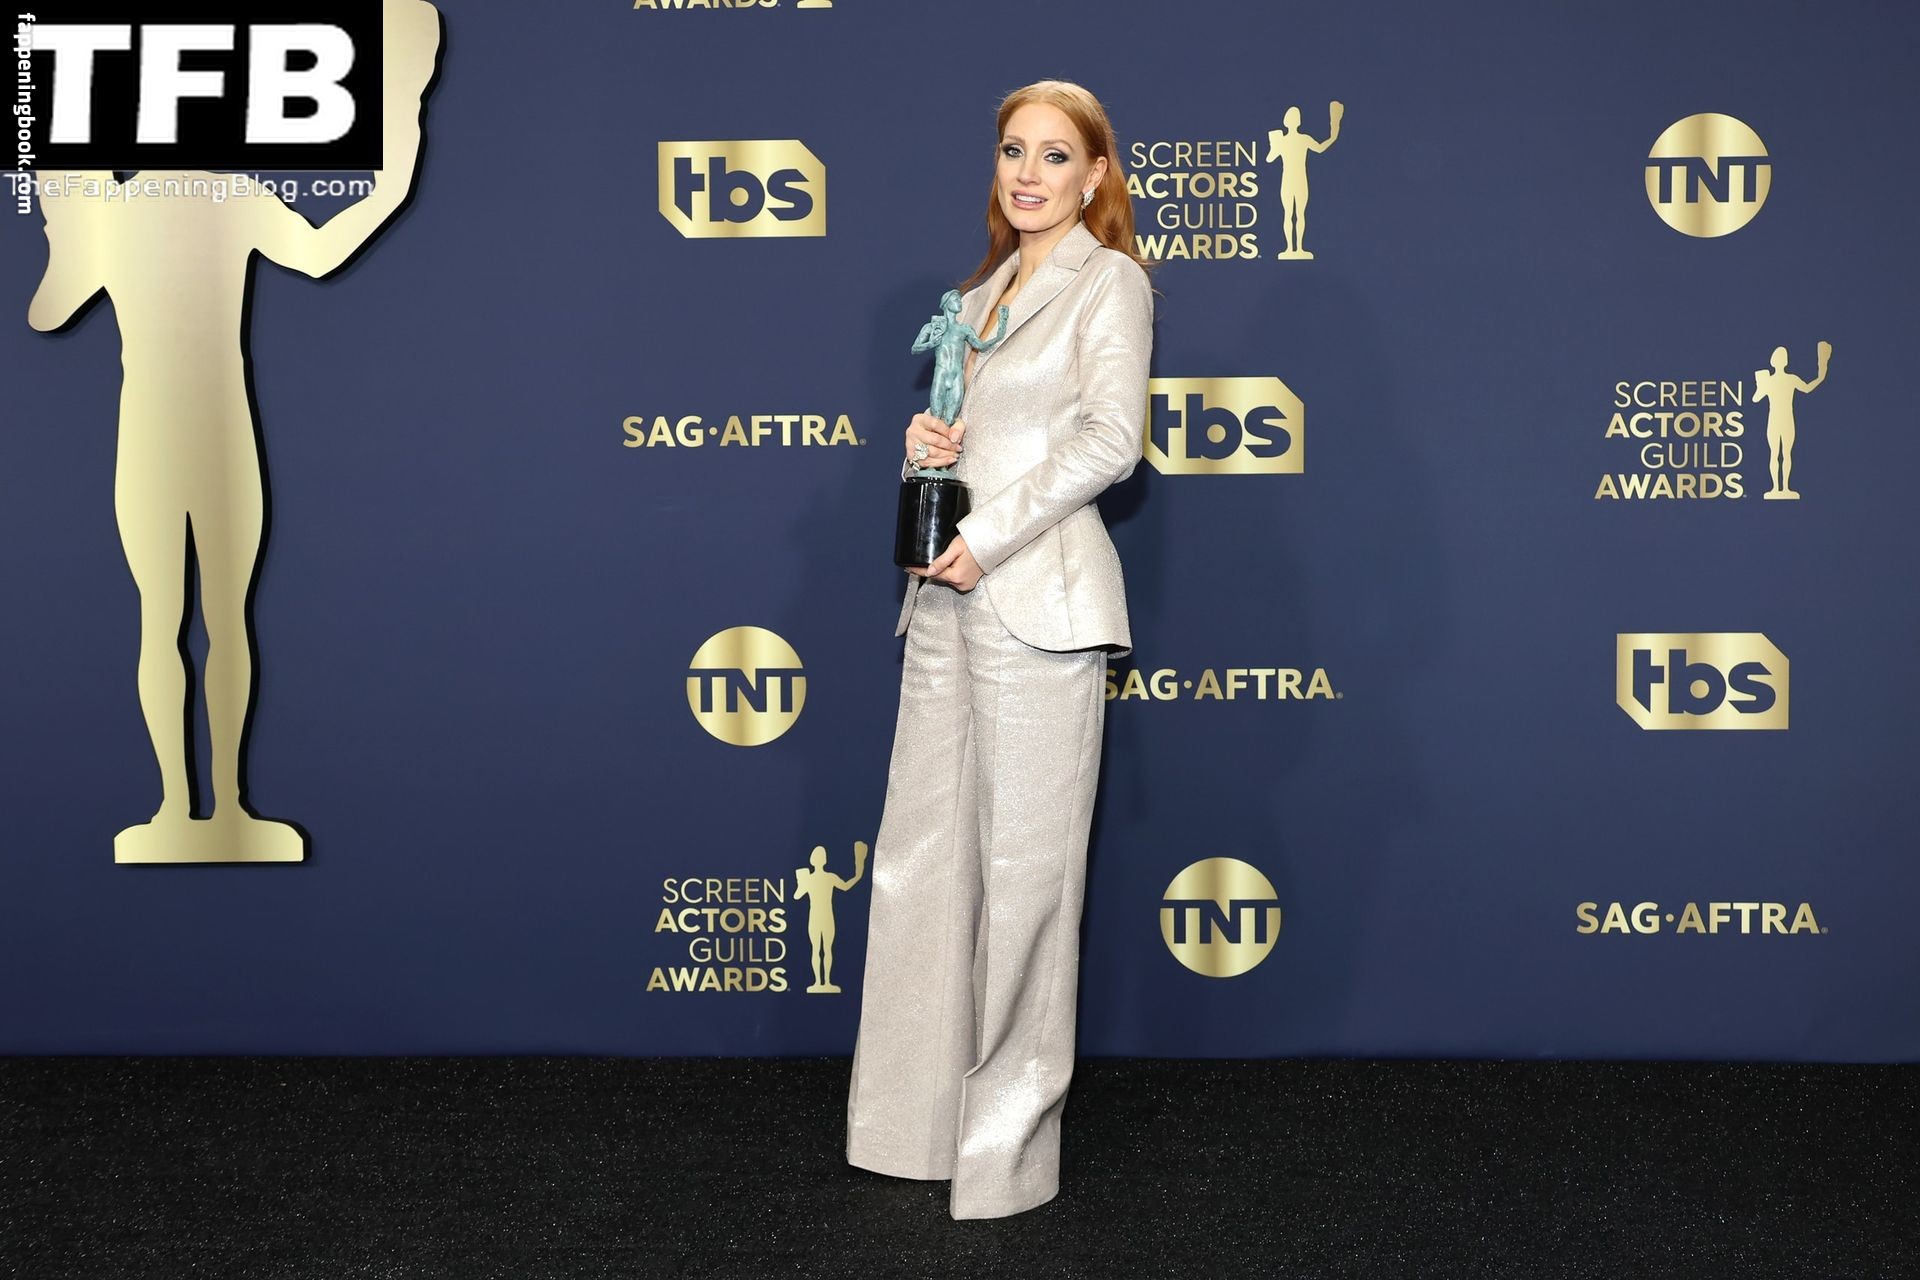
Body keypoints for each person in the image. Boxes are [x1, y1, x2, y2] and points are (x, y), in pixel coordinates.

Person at [844, 79, 1155, 1220]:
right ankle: (910, 1130)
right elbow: (990, 443)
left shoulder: (1109, 282)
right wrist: (931, 450)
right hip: (942, 605)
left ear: (1094, 175)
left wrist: (985, 534)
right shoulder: (975, 297)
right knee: (921, 867)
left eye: (1055, 155)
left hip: (1038, 603)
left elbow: (1111, 441)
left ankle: (1006, 1161)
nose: (1029, 174)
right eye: (1014, 151)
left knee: (1026, 883)